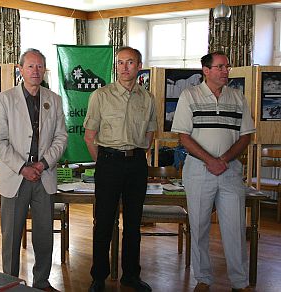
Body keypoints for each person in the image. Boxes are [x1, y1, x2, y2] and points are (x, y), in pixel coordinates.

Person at [171, 52, 255, 292]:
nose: (226, 70)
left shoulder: (237, 97)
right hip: (198, 170)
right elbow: (183, 137)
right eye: (220, 67)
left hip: (229, 171)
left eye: (227, 66)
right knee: (198, 227)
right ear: (206, 71)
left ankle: (239, 282)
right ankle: (203, 279)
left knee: (235, 228)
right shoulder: (189, 95)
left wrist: (224, 160)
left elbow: (246, 135)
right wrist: (210, 160)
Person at [0, 48, 67, 291]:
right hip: (16, 177)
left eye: (40, 66)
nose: (35, 71)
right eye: (30, 66)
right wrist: (23, 168)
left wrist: (43, 163)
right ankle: (9, 282)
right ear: (20, 70)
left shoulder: (53, 99)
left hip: (43, 176)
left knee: (44, 234)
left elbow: (61, 138)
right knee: (11, 236)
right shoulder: (4, 99)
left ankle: (42, 281)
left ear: (45, 70)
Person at [83, 46, 156, 292]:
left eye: (131, 62)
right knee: (103, 222)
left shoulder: (147, 98)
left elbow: (150, 134)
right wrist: (104, 160)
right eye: (121, 62)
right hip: (109, 163)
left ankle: (131, 276)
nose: (125, 67)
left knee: (133, 225)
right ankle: (99, 277)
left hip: (136, 164)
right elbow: (89, 135)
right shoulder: (100, 95)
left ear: (139, 66)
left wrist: (135, 157)